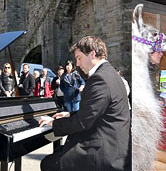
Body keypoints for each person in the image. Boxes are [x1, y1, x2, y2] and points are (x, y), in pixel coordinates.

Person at [39, 36, 131, 170]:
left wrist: (53, 123)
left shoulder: (100, 79)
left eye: (79, 58)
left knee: (48, 164)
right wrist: (70, 115)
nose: (77, 63)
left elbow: (83, 122)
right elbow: (95, 111)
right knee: (58, 154)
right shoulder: (109, 73)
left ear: (92, 54)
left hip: (105, 152)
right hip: (111, 142)